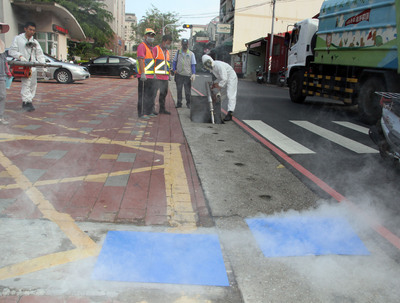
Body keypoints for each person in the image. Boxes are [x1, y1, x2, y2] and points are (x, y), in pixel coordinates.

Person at [9, 21, 45, 112]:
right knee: (26, 84)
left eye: (33, 30)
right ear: (25, 29)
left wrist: (42, 64)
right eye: (30, 29)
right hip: (23, 66)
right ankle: (26, 102)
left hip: (33, 66)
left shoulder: (34, 41)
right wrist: (20, 57)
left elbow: (40, 54)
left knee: (33, 85)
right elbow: (12, 51)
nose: (32, 32)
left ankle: (29, 100)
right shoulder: (18, 39)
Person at [202, 54, 238, 121]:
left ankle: (230, 113)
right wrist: (214, 83)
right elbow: (220, 77)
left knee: (231, 95)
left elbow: (224, 78)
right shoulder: (212, 68)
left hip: (231, 78)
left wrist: (219, 86)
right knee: (220, 96)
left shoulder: (218, 66)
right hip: (225, 78)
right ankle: (216, 110)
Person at [136, 28, 157, 119]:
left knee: (150, 95)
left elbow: (151, 62)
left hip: (150, 76)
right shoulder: (142, 46)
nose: (151, 37)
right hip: (143, 76)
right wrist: (143, 73)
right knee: (143, 95)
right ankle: (141, 113)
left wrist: (154, 73)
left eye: (152, 36)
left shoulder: (151, 47)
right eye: (149, 35)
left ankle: (148, 111)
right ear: (145, 36)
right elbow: (140, 59)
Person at [172, 38, 196, 108]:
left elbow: (193, 64)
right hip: (179, 74)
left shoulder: (191, 54)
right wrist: (174, 69)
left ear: (188, 45)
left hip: (187, 75)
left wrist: (193, 73)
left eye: (186, 44)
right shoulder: (178, 52)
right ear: (181, 45)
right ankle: (179, 103)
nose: (185, 46)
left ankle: (188, 104)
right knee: (179, 90)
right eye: (183, 44)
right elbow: (174, 61)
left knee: (187, 91)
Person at [152, 34, 172, 115]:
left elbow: (168, 64)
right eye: (168, 43)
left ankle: (162, 109)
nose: (168, 45)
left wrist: (169, 74)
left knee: (164, 93)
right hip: (156, 76)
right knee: (153, 93)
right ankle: (151, 109)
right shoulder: (156, 49)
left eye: (169, 43)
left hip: (165, 77)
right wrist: (152, 74)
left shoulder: (167, 52)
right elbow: (151, 61)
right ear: (163, 41)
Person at [0, 22, 12, 125]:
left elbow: (4, 60)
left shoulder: (2, 43)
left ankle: (1, 116)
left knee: (2, 95)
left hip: (1, 75)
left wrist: (7, 71)